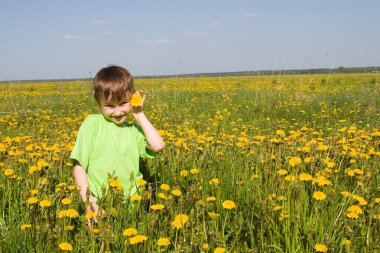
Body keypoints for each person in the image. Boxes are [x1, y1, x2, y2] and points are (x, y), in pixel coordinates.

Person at [70, 65, 165, 216]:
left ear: (132, 99)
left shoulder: (133, 130)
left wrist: (139, 114)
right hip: (101, 203)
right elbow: (79, 166)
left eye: (123, 103)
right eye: (109, 106)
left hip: (135, 201)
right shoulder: (92, 124)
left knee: (163, 194)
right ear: (98, 103)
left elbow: (158, 146)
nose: (118, 112)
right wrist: (89, 202)